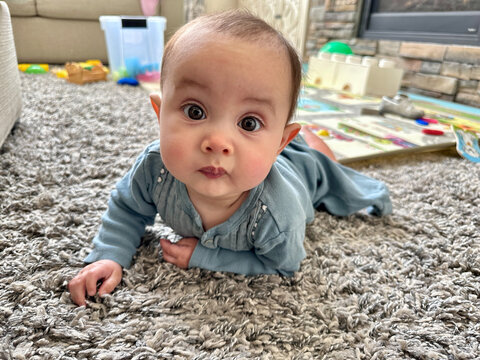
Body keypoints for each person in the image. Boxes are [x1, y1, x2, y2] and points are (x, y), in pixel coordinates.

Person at [68, 10, 392, 306]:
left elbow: (283, 264)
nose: (218, 143)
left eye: (248, 122)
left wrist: (206, 256)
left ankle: (307, 144)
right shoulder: (154, 169)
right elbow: (127, 208)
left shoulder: (279, 215)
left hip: (299, 174)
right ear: (159, 113)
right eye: (195, 112)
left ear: (279, 141)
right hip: (268, 154)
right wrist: (110, 255)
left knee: (320, 163)